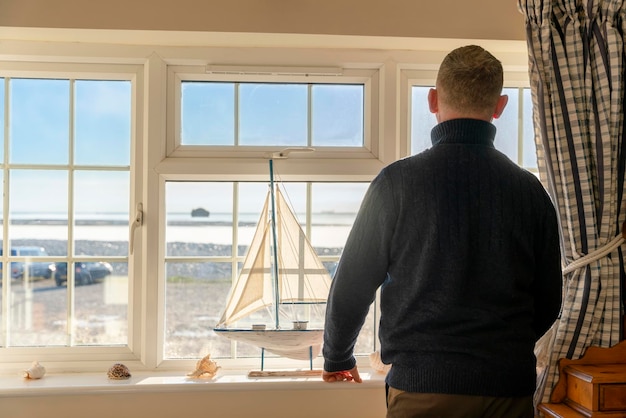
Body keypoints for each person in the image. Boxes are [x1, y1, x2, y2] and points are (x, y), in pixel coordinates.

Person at [321, 45, 562, 418]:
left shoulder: (396, 184)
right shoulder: (529, 191)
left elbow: (352, 281)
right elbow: (549, 299)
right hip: (507, 390)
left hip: (423, 388)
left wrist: (338, 354)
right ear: (499, 107)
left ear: (432, 100)